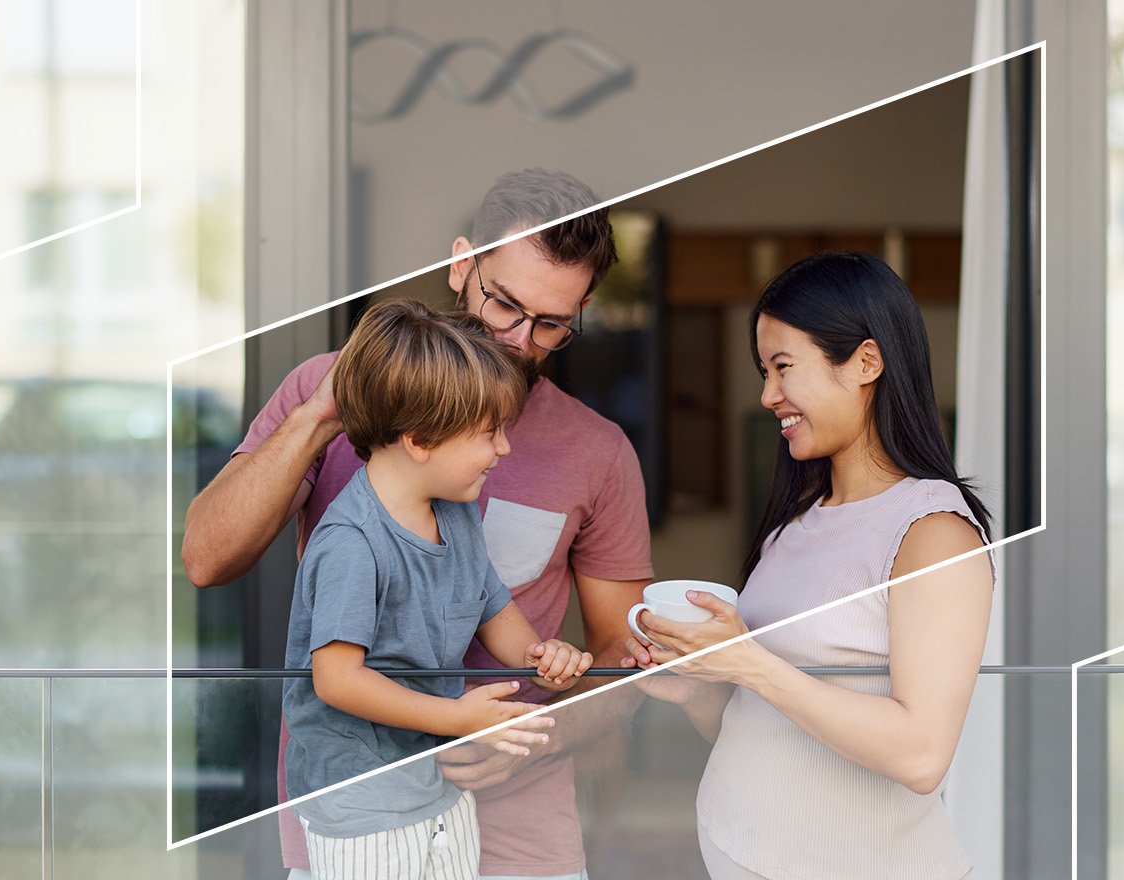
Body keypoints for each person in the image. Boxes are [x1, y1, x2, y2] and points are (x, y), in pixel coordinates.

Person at [182, 168, 653, 880]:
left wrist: (534, 734)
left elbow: (623, 656)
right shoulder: (329, 392)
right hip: (357, 827)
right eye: (504, 305)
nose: (520, 340)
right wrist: (320, 417)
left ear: (581, 309)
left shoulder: (599, 451)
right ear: (463, 263)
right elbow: (206, 560)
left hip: (522, 836)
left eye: (552, 323)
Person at [625, 251, 996, 880]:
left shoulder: (933, 534)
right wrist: (703, 692)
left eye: (783, 368)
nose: (768, 395)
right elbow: (772, 727)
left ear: (866, 363)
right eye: (763, 371)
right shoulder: (796, 524)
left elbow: (922, 753)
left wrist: (752, 664)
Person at [284, 300, 593, 879]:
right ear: (421, 439)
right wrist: (456, 718)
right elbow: (336, 678)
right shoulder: (351, 543)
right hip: (362, 805)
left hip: (438, 784)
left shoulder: (456, 513)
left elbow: (491, 606)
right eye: (489, 433)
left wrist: (538, 656)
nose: (503, 449)